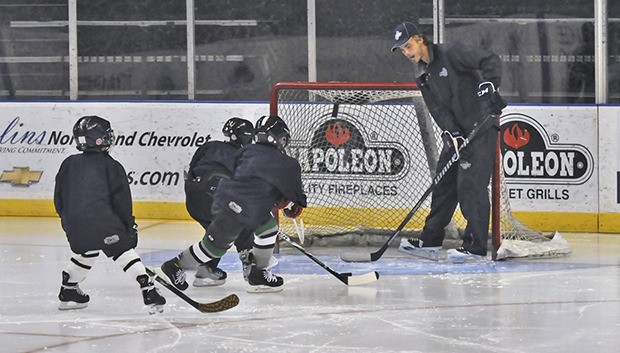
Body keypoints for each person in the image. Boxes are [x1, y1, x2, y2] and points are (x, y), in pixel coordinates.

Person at [390, 22, 507, 262]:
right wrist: (451, 132)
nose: (407, 53)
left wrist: (490, 83)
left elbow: (490, 59)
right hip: (458, 136)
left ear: (420, 39)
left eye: (408, 46)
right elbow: (438, 109)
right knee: (442, 185)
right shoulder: (421, 74)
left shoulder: (451, 53)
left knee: (470, 186)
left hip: (480, 128)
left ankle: (475, 246)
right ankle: (430, 240)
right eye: (402, 50)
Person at [160, 115, 307, 293]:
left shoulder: (247, 151)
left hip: (224, 199)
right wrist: (292, 204)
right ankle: (176, 265)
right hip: (242, 207)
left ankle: (258, 272)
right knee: (214, 248)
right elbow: (294, 197)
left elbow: (244, 175)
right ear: (281, 138)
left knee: (266, 229)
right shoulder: (288, 163)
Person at [54, 115, 166, 313]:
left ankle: (69, 288)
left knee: (86, 250)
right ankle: (148, 287)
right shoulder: (112, 166)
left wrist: (68, 221)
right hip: (103, 221)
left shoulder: (68, 164)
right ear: (99, 139)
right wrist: (128, 227)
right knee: (122, 250)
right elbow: (122, 202)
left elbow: (59, 199)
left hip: (74, 224)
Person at [183, 117, 255, 286]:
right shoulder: (244, 156)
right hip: (215, 201)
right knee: (241, 228)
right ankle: (252, 271)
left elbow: (191, 173)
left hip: (193, 202)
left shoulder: (209, 146)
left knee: (218, 234)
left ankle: (206, 271)